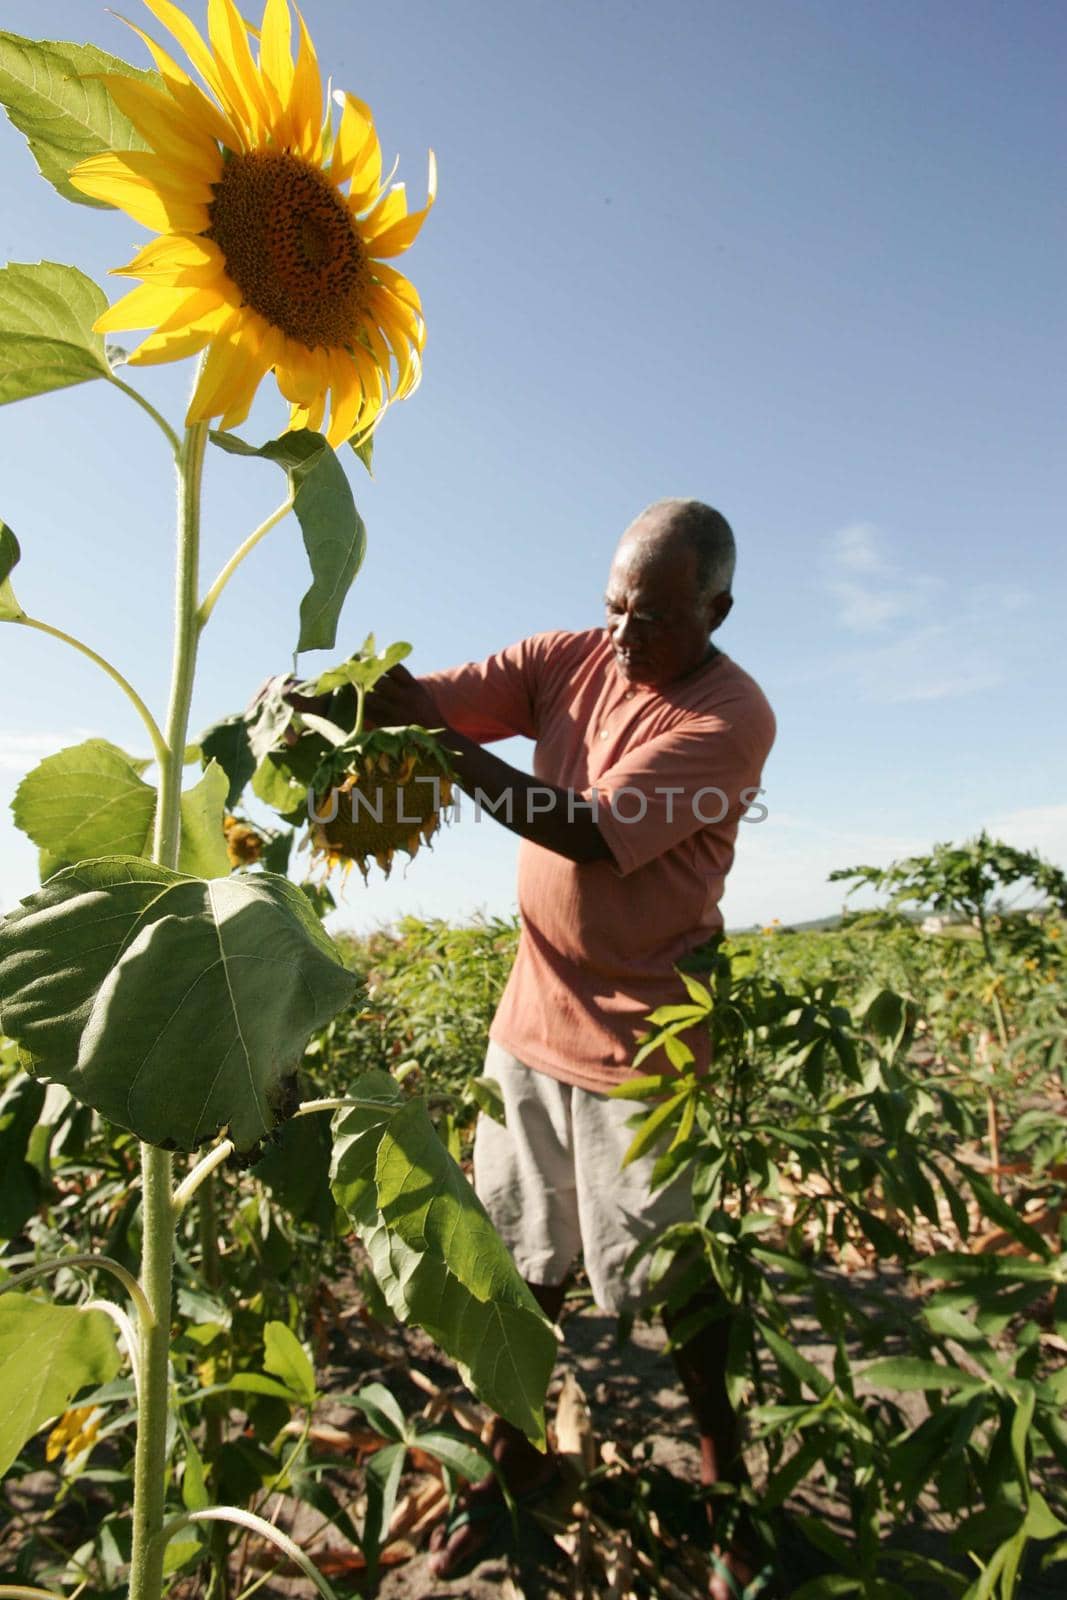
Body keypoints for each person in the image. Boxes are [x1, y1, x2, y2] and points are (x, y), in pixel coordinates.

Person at [365, 498, 776, 1596]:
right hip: (528, 1020)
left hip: (646, 1040)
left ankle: (724, 1475)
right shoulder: (570, 657)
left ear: (714, 609)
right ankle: (507, 1473)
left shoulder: (731, 715)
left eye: (648, 617)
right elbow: (431, 697)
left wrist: (432, 745)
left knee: (673, 1282)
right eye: (611, 607)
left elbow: (587, 830)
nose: (620, 636)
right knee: (520, 1269)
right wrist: (337, 702)